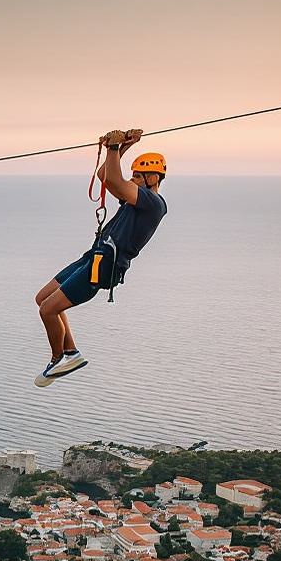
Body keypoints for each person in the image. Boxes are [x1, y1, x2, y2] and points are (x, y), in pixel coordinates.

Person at [33, 129, 168, 387]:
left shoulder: (153, 203)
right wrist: (121, 147)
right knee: (42, 298)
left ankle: (58, 358)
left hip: (103, 266)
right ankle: (71, 352)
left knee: (48, 310)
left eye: (138, 176)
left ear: (153, 178)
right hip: (92, 256)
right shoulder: (136, 201)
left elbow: (115, 183)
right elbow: (106, 177)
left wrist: (115, 149)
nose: (132, 180)